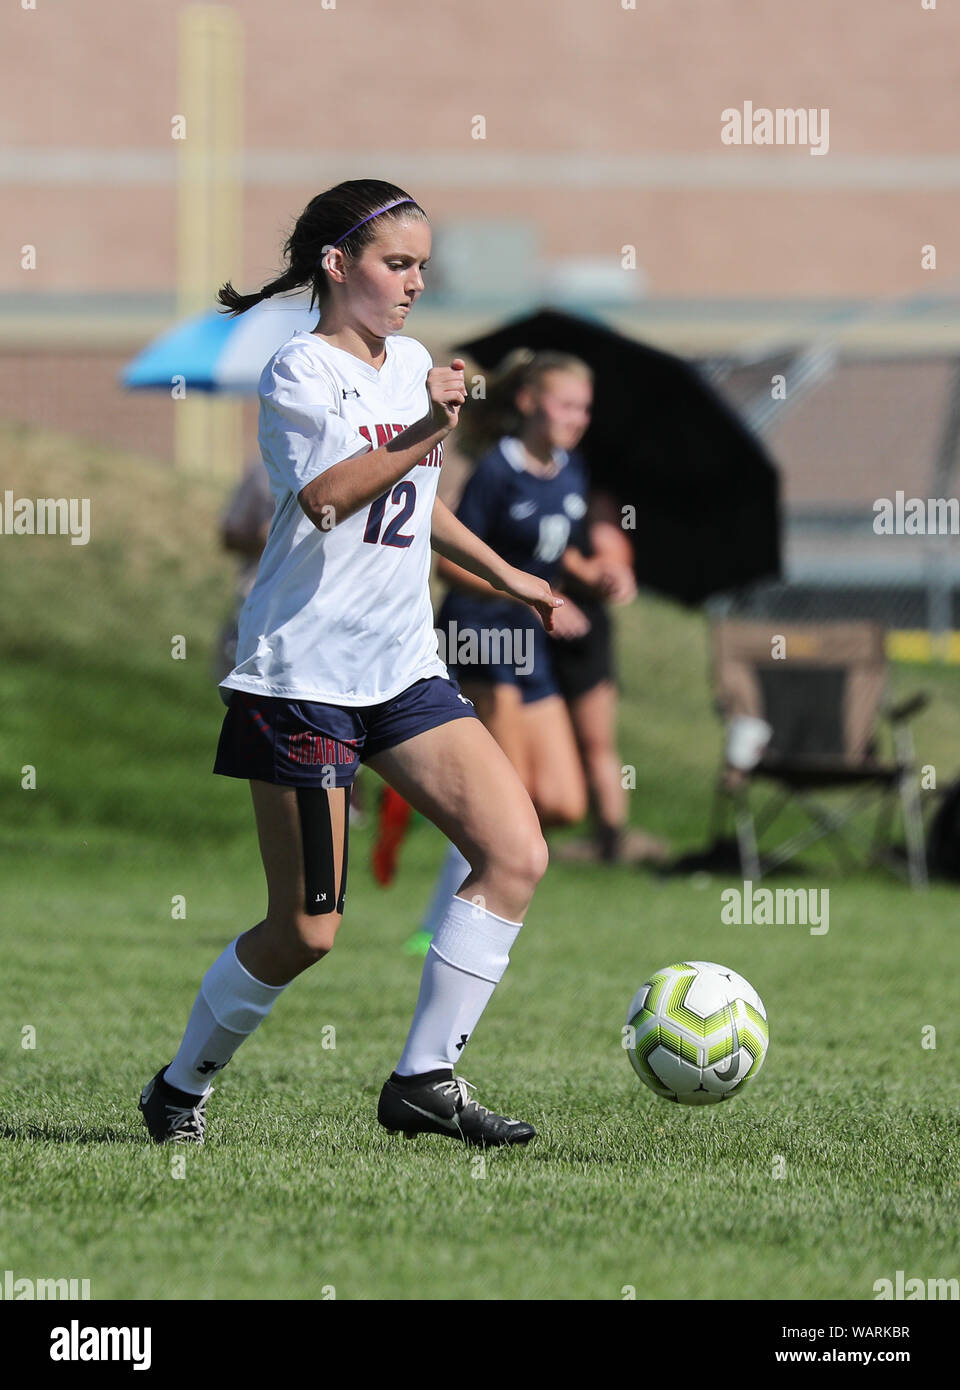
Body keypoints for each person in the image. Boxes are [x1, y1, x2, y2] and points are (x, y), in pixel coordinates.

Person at [137, 179, 564, 1149]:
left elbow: (416, 500)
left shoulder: (409, 361)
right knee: (308, 932)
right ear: (338, 266)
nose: (415, 282)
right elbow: (331, 496)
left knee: (515, 853)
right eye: (396, 263)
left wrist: (508, 576)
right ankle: (179, 1087)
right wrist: (425, 428)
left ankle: (424, 1078)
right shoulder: (297, 373)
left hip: (402, 671)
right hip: (300, 682)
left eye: (423, 265)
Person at [405, 351, 649, 954]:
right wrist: (521, 588)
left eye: (584, 409)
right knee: (507, 791)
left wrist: (594, 574)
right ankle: (441, 923)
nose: (577, 418)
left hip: (528, 638)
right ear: (528, 403)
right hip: (481, 635)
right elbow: (447, 563)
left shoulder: (569, 471)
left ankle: (465, 844)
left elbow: (550, 545)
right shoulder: (497, 470)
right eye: (566, 405)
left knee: (561, 803)